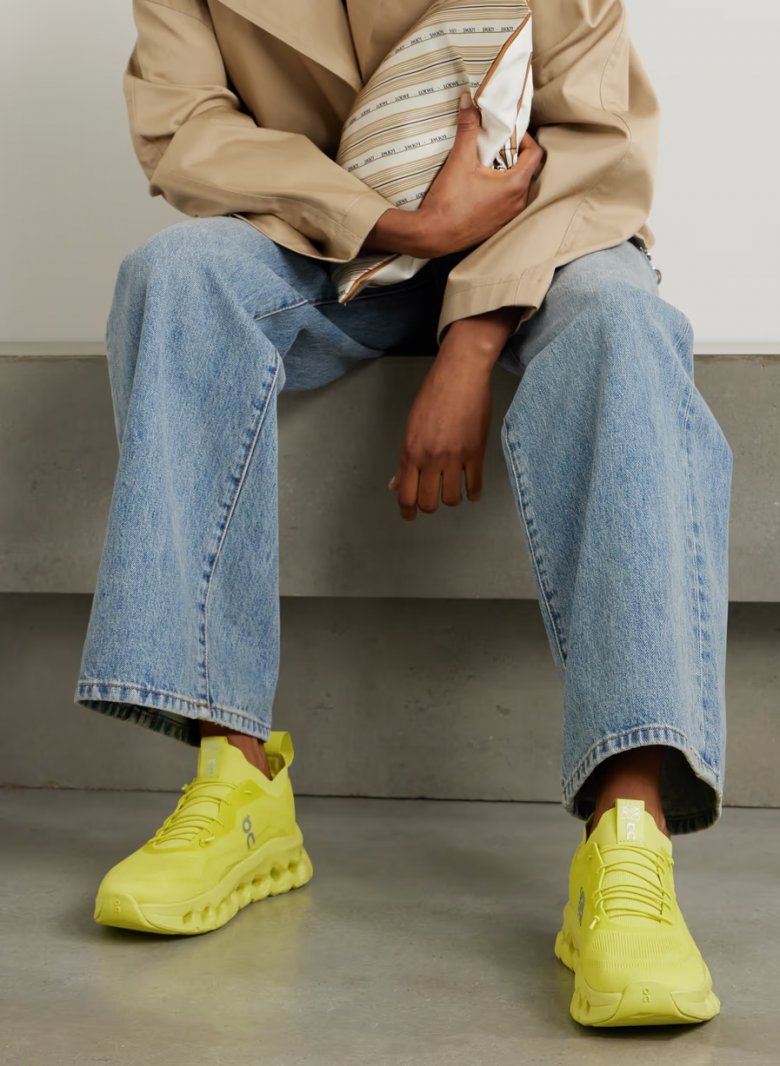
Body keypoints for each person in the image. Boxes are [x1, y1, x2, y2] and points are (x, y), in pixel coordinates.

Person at [74, 0, 733, 1028]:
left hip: (543, 237)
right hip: (327, 242)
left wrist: (472, 337)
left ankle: (627, 836)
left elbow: (598, 146)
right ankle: (235, 782)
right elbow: (186, 131)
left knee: (625, 324)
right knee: (173, 275)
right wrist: (401, 225)